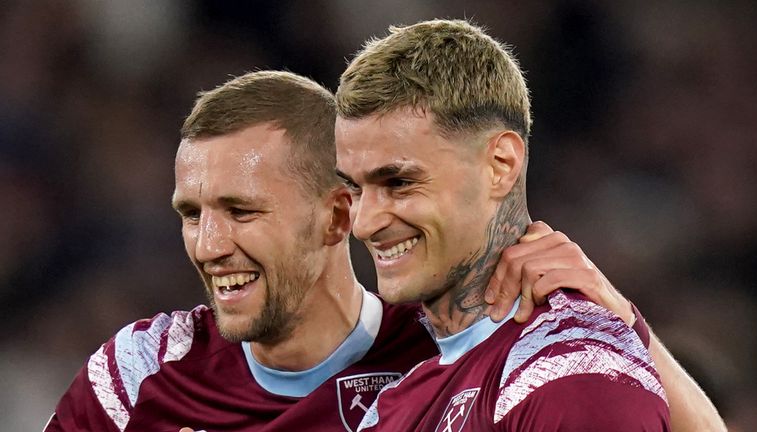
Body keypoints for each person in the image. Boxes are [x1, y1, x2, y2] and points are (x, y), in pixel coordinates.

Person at [46, 72, 720, 431]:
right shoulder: (141, 376)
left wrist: (626, 321)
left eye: (241, 212)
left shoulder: (448, 353)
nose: (209, 245)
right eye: (191, 215)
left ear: (338, 215)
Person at [334, 19, 719, 431]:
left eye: (399, 182)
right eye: (355, 189)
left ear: (500, 165)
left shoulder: (570, 369)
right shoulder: (393, 400)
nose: (364, 224)